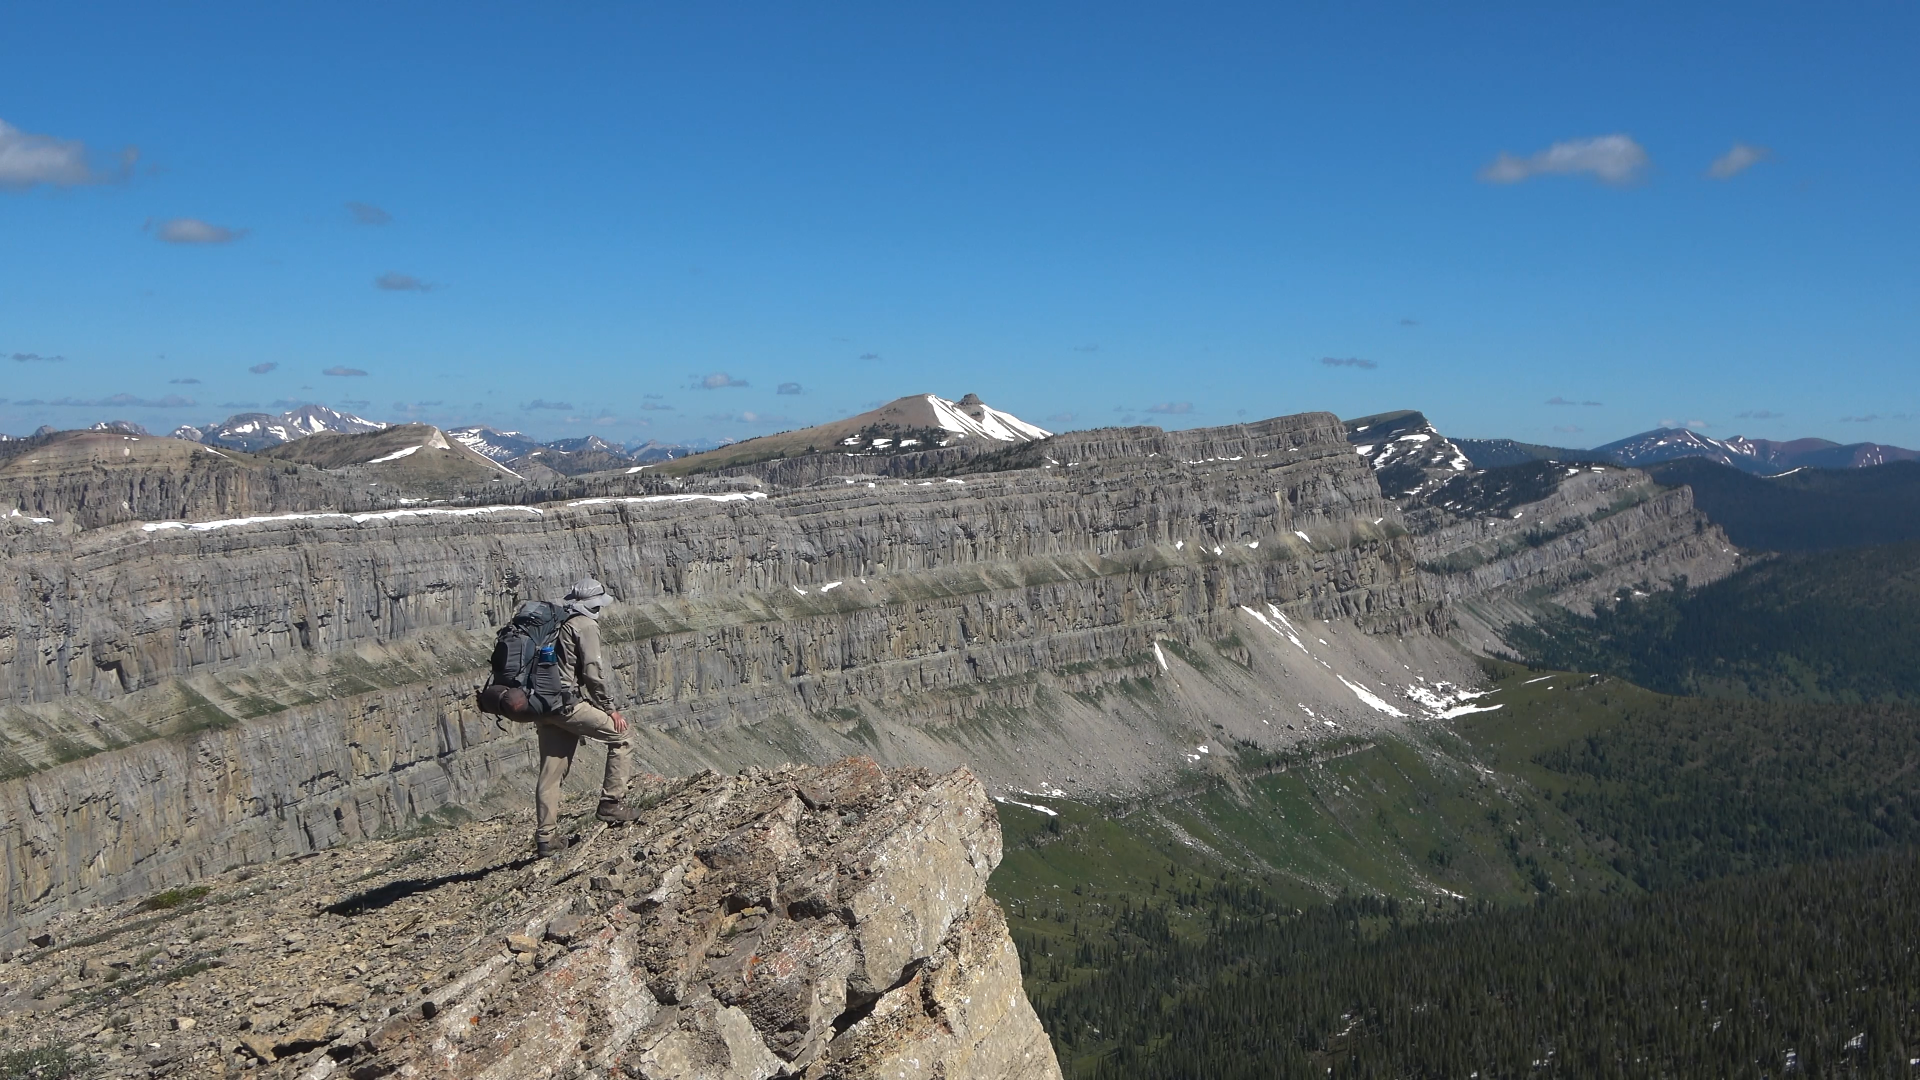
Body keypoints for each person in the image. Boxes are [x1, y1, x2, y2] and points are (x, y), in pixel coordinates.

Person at [533, 577, 640, 856]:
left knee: (551, 772)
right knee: (623, 736)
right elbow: (593, 672)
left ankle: (546, 838)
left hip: (542, 705)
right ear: (594, 605)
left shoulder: (557, 622)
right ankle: (611, 803)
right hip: (567, 704)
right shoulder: (585, 625)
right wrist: (609, 708)